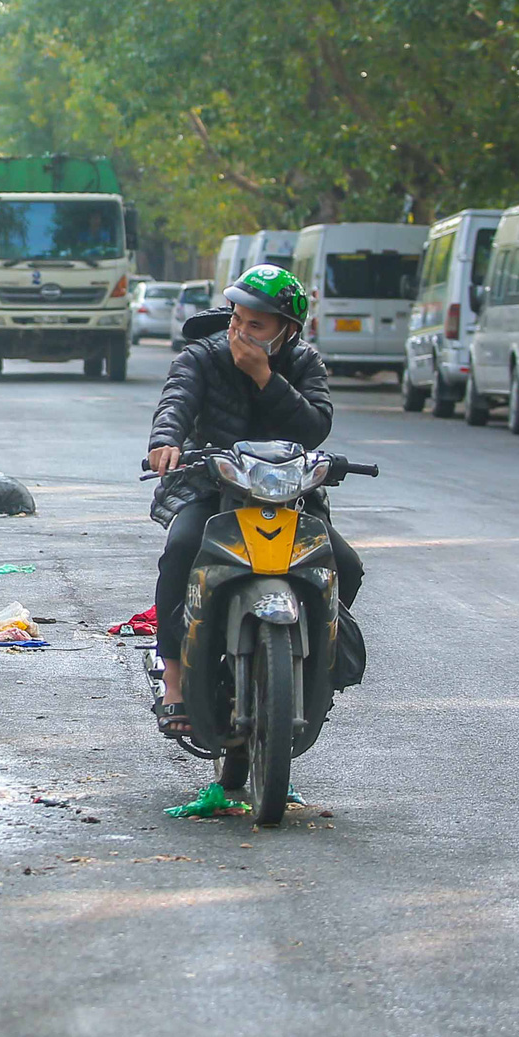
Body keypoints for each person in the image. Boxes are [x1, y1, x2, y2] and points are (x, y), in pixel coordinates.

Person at [144, 264, 364, 734]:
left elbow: (314, 426)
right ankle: (176, 681)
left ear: (288, 329)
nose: (241, 331)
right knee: (181, 551)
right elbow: (176, 402)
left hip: (289, 496)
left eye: (256, 324)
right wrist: (166, 442)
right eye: (237, 319)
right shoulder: (202, 355)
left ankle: (314, 672)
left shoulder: (306, 363)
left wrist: (265, 377)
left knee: (346, 565)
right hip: (212, 488)